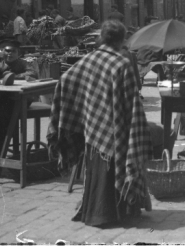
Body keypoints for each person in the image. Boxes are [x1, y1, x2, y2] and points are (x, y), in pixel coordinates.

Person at [47, 19, 153, 227]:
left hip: (93, 129)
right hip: (116, 129)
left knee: (95, 171)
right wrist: (137, 125)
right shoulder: (122, 63)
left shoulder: (89, 58)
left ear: (102, 38)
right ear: (122, 40)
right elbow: (133, 102)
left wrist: (80, 109)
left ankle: (95, 213)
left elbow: (65, 79)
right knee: (117, 164)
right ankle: (116, 213)